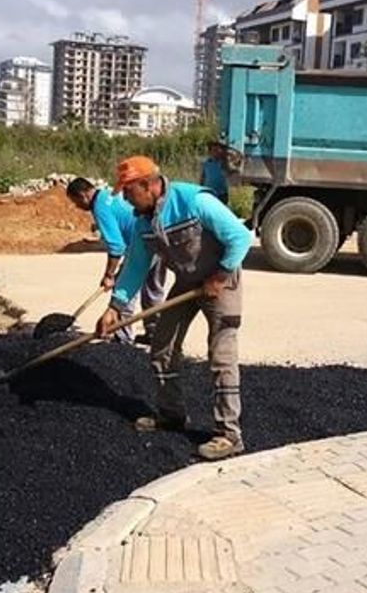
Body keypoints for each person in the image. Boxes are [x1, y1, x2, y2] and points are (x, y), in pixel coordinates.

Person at [96, 156, 253, 461]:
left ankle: (229, 434)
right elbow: (136, 266)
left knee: (221, 354)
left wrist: (220, 276)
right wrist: (115, 307)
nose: (126, 199)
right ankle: (171, 414)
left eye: (129, 191)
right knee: (162, 346)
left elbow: (240, 236)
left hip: (221, 282)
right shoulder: (144, 222)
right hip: (188, 283)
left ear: (148, 185)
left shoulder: (193, 201)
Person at [65, 177, 166, 344]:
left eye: (76, 202)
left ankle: (122, 338)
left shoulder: (100, 207)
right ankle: (155, 334)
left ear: (83, 195)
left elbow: (116, 246)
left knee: (123, 291)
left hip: (141, 244)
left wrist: (109, 275)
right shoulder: (107, 194)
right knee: (153, 291)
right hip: (158, 238)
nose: (77, 206)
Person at [199, 141, 230, 205]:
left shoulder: (224, 163)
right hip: (208, 193)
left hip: (221, 194)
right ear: (210, 152)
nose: (217, 152)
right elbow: (202, 177)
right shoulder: (206, 163)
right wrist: (200, 189)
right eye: (214, 150)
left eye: (218, 150)